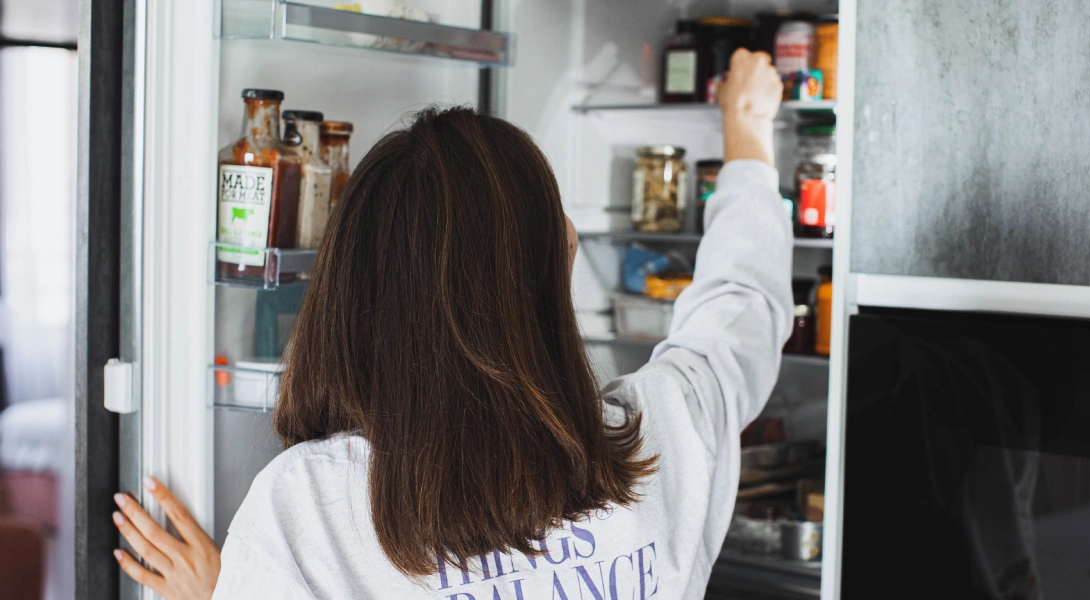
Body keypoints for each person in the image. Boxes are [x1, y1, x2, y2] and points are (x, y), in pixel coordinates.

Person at [112, 48, 790, 599]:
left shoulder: (309, 508)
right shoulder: (660, 435)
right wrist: (749, 136)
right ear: (555, 264)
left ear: (353, 285)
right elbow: (743, 307)